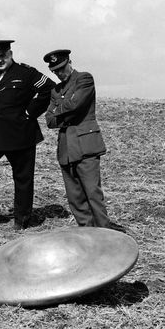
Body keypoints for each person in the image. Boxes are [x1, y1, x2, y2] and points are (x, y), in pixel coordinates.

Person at [0, 39, 55, 229]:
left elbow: (48, 87)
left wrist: (30, 113)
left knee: (23, 178)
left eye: (3, 56)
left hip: (20, 135)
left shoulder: (26, 73)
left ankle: (22, 219)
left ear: (10, 54)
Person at [43, 49, 110, 228]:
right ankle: (87, 237)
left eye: (61, 68)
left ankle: (106, 236)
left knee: (93, 195)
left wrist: (59, 109)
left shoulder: (84, 79)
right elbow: (49, 120)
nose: (59, 73)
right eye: (55, 71)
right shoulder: (56, 90)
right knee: (75, 199)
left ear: (69, 62)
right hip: (66, 150)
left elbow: (76, 104)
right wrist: (64, 108)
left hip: (85, 146)